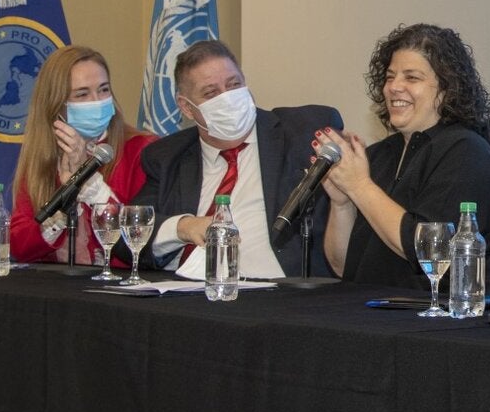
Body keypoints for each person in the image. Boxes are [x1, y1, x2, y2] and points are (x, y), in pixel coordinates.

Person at [320, 23, 490, 293]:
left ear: (447, 90)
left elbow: (432, 252)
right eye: (390, 77)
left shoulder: (466, 152)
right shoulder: (379, 155)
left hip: (452, 321)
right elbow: (343, 266)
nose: (394, 87)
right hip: (373, 313)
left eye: (411, 78)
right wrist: (342, 202)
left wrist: (359, 186)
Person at [137, 39, 342, 278]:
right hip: (193, 296)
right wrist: (183, 227)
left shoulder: (303, 132)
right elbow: (130, 231)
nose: (227, 98)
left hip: (279, 296)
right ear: (186, 107)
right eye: (211, 93)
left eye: (234, 85)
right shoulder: (168, 155)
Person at [8, 46, 155, 265]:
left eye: (104, 90)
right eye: (82, 94)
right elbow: (19, 246)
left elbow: (142, 237)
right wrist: (59, 217)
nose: (97, 100)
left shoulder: (143, 149)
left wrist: (88, 182)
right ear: (56, 106)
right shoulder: (43, 157)